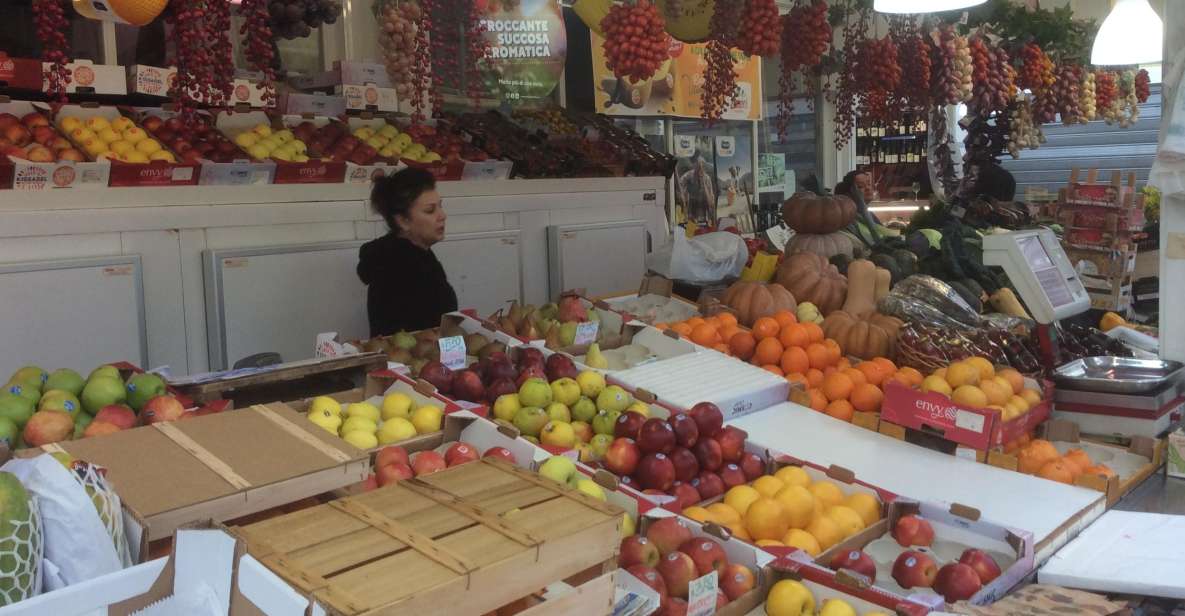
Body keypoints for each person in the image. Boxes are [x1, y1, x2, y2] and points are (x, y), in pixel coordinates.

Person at [357, 168, 457, 337]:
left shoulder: (412, 255)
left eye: (440, 206)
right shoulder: (405, 270)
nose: (442, 216)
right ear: (403, 221)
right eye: (430, 210)